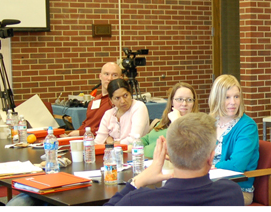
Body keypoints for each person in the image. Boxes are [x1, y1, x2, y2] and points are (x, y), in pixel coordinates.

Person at [104, 112, 244, 206]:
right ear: (210, 158)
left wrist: (138, 181)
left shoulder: (137, 201)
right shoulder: (231, 193)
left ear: (168, 154)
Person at [208, 74, 259, 206]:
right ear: (217, 99)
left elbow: (237, 165)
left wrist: (211, 166)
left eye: (236, 96)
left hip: (237, 190)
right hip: (208, 184)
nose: (233, 102)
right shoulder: (209, 122)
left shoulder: (247, 126)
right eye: (227, 97)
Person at [61, 62, 122, 137]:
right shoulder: (95, 100)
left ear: (120, 79)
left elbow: (113, 130)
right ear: (100, 76)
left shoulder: (118, 102)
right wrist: (72, 134)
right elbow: (87, 123)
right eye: (106, 74)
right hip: (84, 137)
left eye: (114, 75)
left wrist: (80, 133)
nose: (109, 78)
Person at [141, 82, 199, 158]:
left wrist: (177, 121)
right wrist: (128, 147)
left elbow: (188, 149)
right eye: (180, 99)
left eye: (189, 99)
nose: (184, 103)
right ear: (172, 101)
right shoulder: (164, 121)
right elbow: (145, 140)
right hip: (144, 161)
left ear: (193, 103)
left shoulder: (197, 126)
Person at [94, 78, 149, 144]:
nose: (123, 101)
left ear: (130, 94)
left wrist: (111, 143)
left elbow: (134, 139)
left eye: (125, 95)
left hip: (135, 152)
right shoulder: (109, 114)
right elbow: (98, 141)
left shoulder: (138, 107)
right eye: (117, 98)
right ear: (111, 100)